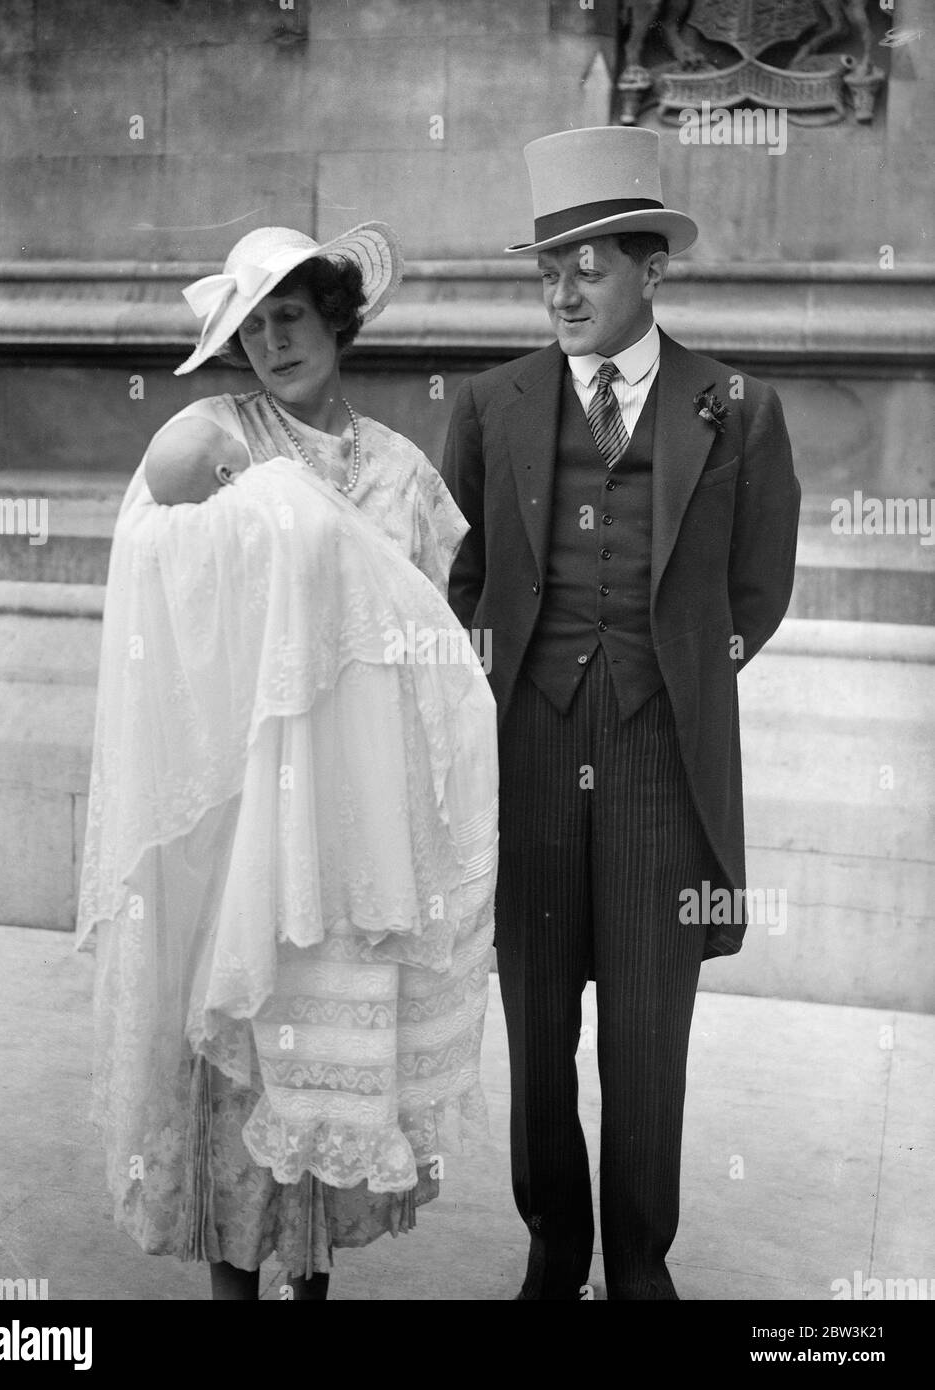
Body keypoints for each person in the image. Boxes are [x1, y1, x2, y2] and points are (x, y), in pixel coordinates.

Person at [77, 222, 498, 1301]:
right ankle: (231, 1289)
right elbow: (159, 578)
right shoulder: (215, 436)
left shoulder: (402, 472)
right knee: (245, 1054)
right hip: (249, 809)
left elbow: (440, 640)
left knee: (333, 1051)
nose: (273, 341)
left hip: (357, 822)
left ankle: (311, 1287)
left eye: (291, 317)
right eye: (252, 326)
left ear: (336, 320)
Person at [442, 127, 801, 1300]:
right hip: (528, 756)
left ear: (652, 270)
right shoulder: (491, 405)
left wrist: (673, 677)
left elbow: (757, 590)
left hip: (659, 759)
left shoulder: (737, 410)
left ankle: (640, 1259)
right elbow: (464, 576)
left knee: (650, 1035)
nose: (562, 290)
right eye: (548, 268)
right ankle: (556, 1244)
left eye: (588, 266)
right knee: (539, 1034)